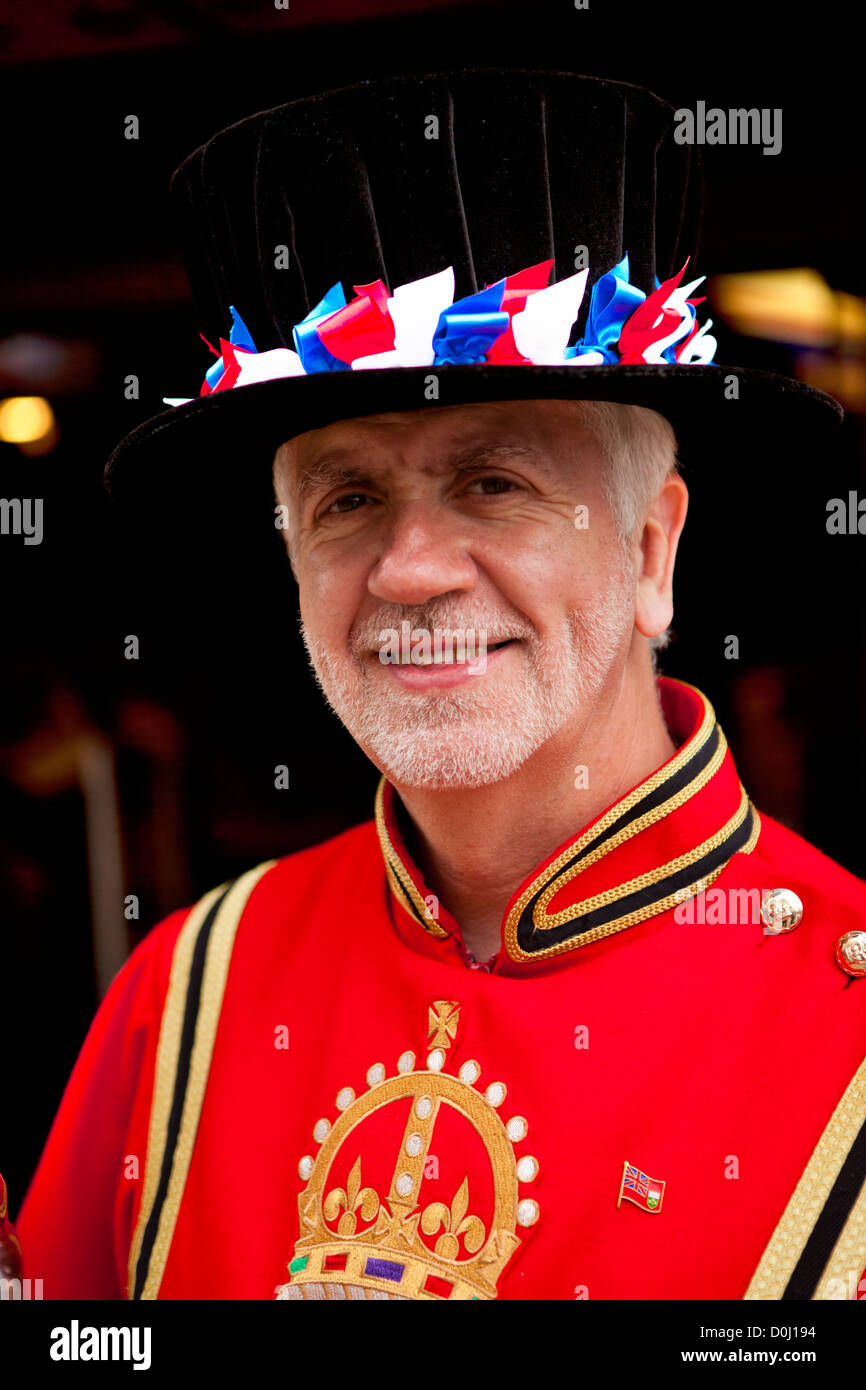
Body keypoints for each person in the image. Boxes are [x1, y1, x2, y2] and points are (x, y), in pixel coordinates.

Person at [15, 69, 866, 1302]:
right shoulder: (187, 986)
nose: (407, 572)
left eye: (493, 482)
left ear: (647, 549)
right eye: (346, 499)